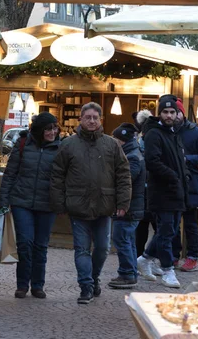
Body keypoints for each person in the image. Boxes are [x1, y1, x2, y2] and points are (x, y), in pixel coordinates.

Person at [50, 102, 131, 305]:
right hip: (78, 206)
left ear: (100, 119)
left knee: (103, 248)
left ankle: (93, 278)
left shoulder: (111, 144)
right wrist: (59, 203)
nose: (92, 121)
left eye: (95, 117)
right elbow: (57, 176)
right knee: (82, 250)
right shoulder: (68, 145)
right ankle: (86, 286)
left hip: (104, 206)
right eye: (88, 117)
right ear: (81, 119)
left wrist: (123, 202)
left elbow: (123, 174)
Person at [0, 112, 60, 299]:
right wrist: (3, 201)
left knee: (40, 245)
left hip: (47, 204)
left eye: (54, 128)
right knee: (25, 243)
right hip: (21, 201)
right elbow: (10, 173)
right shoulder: (23, 143)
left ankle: (38, 285)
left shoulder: (61, 147)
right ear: (39, 130)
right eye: (48, 129)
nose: (52, 132)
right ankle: (22, 285)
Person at [137, 95, 189, 288]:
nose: (169, 115)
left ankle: (145, 258)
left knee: (170, 231)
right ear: (160, 114)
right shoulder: (153, 134)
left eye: (172, 112)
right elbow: (152, 162)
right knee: (166, 233)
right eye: (165, 112)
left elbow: (179, 161)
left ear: (177, 114)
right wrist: (173, 177)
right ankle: (168, 270)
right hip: (162, 192)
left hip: (177, 191)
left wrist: (184, 180)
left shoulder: (173, 133)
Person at [109, 123, 146, 289]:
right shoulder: (131, 153)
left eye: (115, 139)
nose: (113, 142)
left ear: (122, 140)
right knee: (127, 240)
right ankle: (130, 272)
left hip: (129, 207)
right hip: (132, 206)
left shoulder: (131, 157)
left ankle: (127, 274)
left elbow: (125, 180)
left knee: (122, 238)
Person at [172, 98, 198, 272]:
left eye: (177, 112)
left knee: (191, 223)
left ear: (182, 113)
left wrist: (186, 159)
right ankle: (173, 256)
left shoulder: (196, 132)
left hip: (191, 183)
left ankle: (192, 256)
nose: (174, 115)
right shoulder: (166, 131)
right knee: (172, 222)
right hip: (171, 182)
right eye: (170, 112)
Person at [134, 109, 157, 258]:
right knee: (148, 226)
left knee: (151, 226)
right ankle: (145, 257)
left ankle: (144, 257)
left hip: (149, 187)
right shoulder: (138, 140)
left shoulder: (143, 140)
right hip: (146, 187)